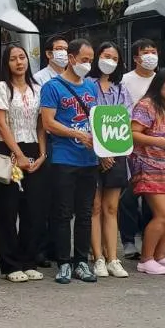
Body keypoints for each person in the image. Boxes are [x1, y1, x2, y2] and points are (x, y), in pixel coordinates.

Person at [41, 39, 102, 283]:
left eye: (91, 60)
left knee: (85, 213)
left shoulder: (91, 87)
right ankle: (63, 262)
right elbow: (48, 122)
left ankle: (81, 262)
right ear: (72, 58)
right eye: (84, 59)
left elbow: (98, 119)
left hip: (89, 160)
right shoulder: (52, 87)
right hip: (64, 158)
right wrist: (78, 134)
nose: (88, 64)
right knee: (63, 212)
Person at [0, 43, 47, 283]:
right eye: (13, 59)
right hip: (9, 151)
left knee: (33, 208)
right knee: (7, 208)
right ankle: (10, 264)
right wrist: (18, 154)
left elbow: (42, 124)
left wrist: (42, 154)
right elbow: (1, 124)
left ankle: (28, 260)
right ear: (6, 63)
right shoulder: (1, 88)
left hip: (34, 148)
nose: (19, 62)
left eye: (22, 57)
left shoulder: (38, 89)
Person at [131, 67, 165, 276]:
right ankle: (146, 259)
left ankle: (161, 255)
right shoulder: (147, 105)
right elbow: (133, 133)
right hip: (149, 166)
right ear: (159, 83)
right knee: (163, 214)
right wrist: (159, 141)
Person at [90, 41, 131, 278]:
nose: (110, 62)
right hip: (92, 155)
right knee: (94, 207)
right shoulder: (88, 85)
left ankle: (113, 257)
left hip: (116, 155)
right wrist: (100, 153)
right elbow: (87, 119)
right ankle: (97, 258)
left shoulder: (121, 88)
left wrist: (112, 153)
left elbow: (123, 120)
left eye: (114, 58)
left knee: (111, 207)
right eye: (106, 56)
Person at [122, 38, 161, 104]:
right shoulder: (124, 80)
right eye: (145, 53)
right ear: (135, 58)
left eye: (154, 53)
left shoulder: (161, 79)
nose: (150, 56)